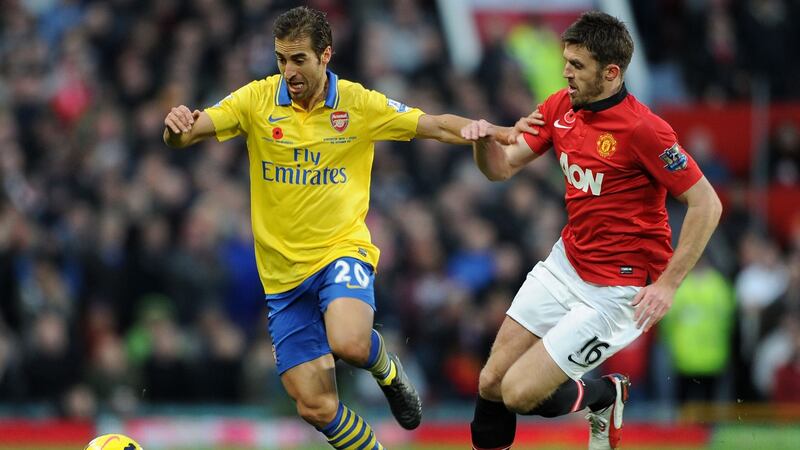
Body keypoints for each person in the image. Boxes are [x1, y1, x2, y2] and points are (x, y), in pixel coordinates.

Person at [162, 6, 493, 450]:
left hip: (341, 250)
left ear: (325, 56)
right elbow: (191, 132)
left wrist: (491, 131)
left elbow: (431, 124)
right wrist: (176, 129)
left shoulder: (357, 103)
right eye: (281, 59)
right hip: (282, 276)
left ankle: (388, 371)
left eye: (299, 59)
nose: (288, 71)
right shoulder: (257, 100)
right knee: (313, 406)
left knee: (351, 342)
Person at [460, 11, 722, 450]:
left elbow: (706, 203)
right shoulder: (561, 105)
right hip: (566, 263)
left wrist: (670, 285)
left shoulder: (646, 130)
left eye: (577, 66)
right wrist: (482, 143)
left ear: (612, 72)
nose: (566, 72)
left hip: (616, 292)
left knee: (520, 393)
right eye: (566, 61)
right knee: (490, 381)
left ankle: (606, 394)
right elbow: (502, 169)